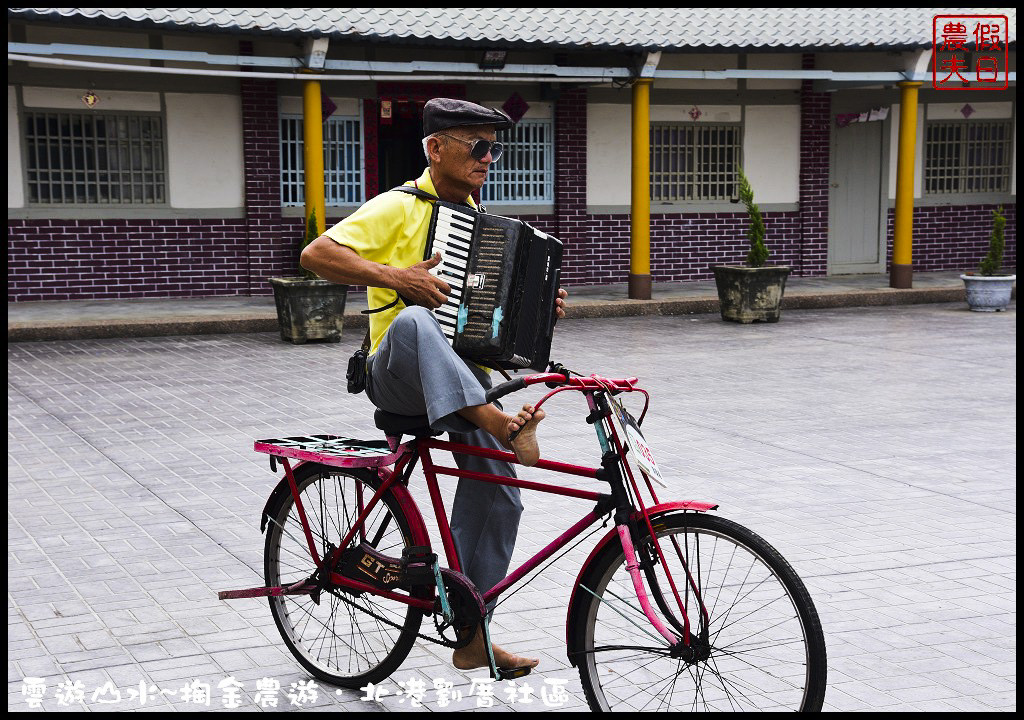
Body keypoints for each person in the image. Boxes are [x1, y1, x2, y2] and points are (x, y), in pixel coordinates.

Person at [300, 97, 568, 674]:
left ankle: (473, 633)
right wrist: (394, 277)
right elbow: (315, 253)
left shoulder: (480, 219)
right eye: (476, 146)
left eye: (493, 148)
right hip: (393, 376)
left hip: (458, 382)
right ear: (435, 148)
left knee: (499, 496)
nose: (487, 158)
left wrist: (540, 309)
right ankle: (498, 422)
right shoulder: (398, 206)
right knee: (416, 319)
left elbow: (484, 319)